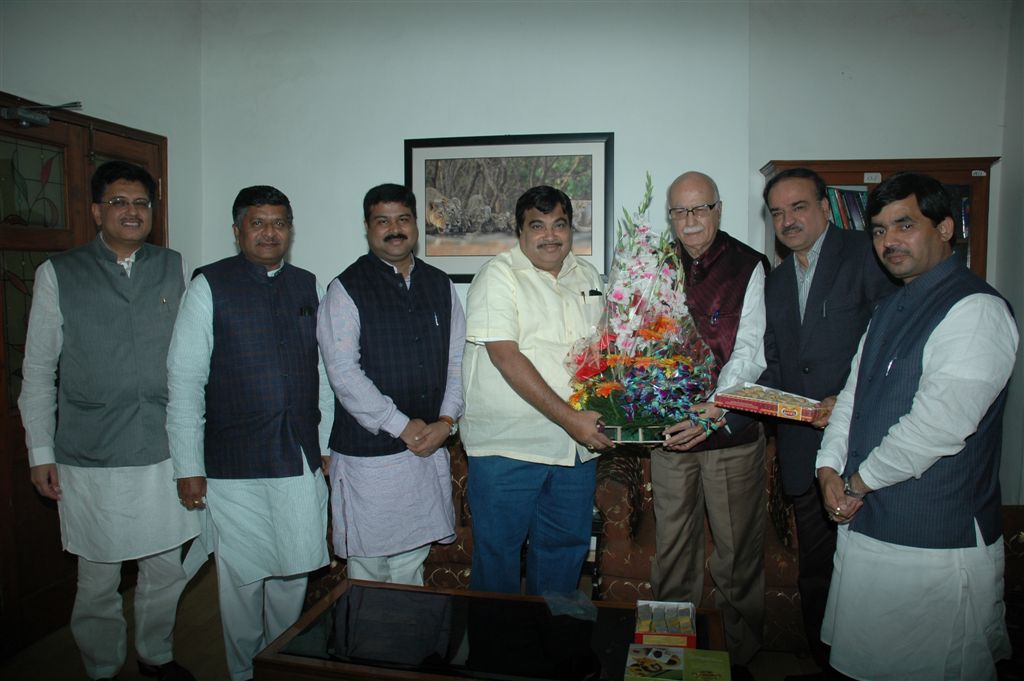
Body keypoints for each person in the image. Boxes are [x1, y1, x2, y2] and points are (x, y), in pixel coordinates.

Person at [816, 172, 1017, 681]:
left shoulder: (976, 310)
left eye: (905, 225)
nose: (889, 241)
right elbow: (852, 399)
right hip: (868, 528)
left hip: (934, 540)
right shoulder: (889, 305)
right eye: (880, 230)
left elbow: (937, 428)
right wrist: (827, 469)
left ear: (946, 227)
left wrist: (855, 483)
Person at [18, 161, 198, 681]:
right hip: (90, 452)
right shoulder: (59, 273)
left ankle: (155, 656)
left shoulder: (172, 265)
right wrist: (40, 453)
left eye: (141, 202)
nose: (131, 212)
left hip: (164, 450)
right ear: (97, 211)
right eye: (118, 202)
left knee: (164, 569)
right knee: (97, 577)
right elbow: (37, 370)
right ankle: (101, 667)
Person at [166, 186, 332, 681]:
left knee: (294, 569)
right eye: (257, 223)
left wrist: (324, 448)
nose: (269, 232)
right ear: (237, 230)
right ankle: (242, 671)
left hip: (298, 456)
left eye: (279, 222)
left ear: (290, 230)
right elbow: (184, 381)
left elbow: (322, 373)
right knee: (241, 578)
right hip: (232, 462)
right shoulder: (208, 285)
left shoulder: (307, 285)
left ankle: (280, 661)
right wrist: (187, 466)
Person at [758, 167, 896, 676]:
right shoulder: (773, 281)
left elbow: (896, 346)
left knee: (875, 573)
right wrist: (740, 396)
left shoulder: (869, 255)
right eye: (777, 212)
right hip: (801, 450)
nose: (788, 220)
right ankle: (826, 665)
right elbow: (774, 361)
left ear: (825, 206)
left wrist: (852, 398)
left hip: (869, 449)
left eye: (798, 207)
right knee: (816, 574)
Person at [461, 185, 613, 595]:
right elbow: (506, 357)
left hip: (574, 450)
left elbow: (603, 353)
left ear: (571, 230)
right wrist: (573, 420)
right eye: (538, 226)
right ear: (520, 232)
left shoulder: (588, 276)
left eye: (559, 225)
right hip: (508, 448)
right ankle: (497, 659)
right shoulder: (499, 276)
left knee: (565, 552)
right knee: (498, 559)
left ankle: (552, 652)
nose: (550, 236)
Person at [316, 183, 464, 584]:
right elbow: (343, 375)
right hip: (370, 456)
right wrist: (401, 425)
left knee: (411, 563)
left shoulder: (440, 285)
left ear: (416, 224)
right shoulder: (345, 289)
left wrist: (447, 421)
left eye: (403, 219)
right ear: (367, 227)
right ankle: (370, 648)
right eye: (383, 220)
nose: (394, 229)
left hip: (427, 447)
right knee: (369, 568)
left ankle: (408, 645)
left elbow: (456, 363)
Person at [652, 171, 769, 670]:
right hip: (670, 436)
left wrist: (717, 407)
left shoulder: (750, 265)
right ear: (670, 217)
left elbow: (752, 350)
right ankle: (664, 659)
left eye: (700, 209)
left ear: (718, 210)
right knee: (672, 554)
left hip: (731, 436)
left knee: (736, 559)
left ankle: (735, 660)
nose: (690, 221)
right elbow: (638, 341)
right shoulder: (653, 267)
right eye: (680, 211)